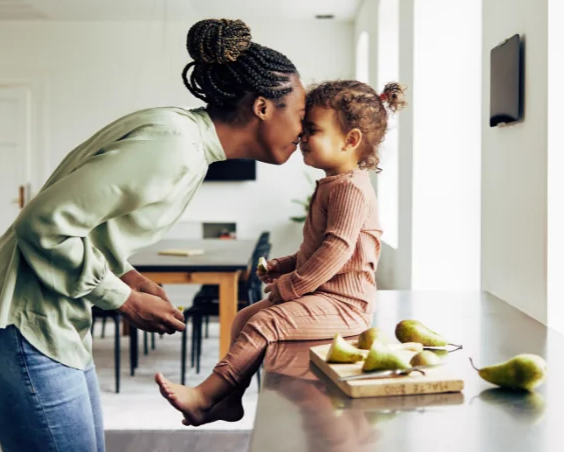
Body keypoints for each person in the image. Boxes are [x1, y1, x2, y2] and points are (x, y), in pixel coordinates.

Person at [0, 18, 307, 452]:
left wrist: (129, 276)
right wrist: (122, 299)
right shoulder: (173, 145)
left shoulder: (184, 140)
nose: (304, 132)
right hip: (18, 325)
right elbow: (42, 224)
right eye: (302, 115)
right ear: (263, 107)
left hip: (47, 324)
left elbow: (89, 225)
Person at [155, 79, 409, 427]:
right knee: (243, 318)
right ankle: (230, 401)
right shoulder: (333, 184)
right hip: (323, 296)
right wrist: (286, 264)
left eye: (313, 130)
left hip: (346, 305)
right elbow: (321, 247)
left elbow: (337, 250)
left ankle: (205, 396)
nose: (302, 137)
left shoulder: (350, 189)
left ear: (350, 141)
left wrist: (293, 285)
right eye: (303, 129)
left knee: (264, 323)